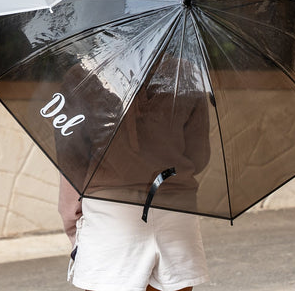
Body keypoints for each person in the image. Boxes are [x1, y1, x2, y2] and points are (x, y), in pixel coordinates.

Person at [57, 58, 210, 291]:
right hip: (176, 207)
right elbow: (199, 156)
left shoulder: (84, 76)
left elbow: (72, 162)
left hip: (111, 215)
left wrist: (74, 227)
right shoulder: (187, 74)